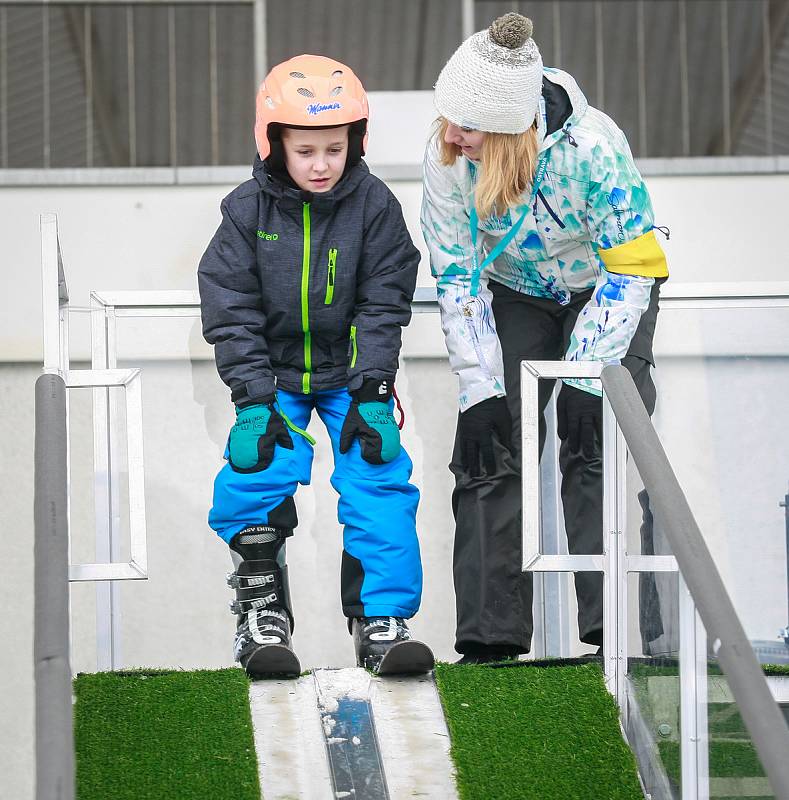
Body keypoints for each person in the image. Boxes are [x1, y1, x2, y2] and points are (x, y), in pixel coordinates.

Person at [420, 13, 668, 663]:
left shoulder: (595, 147)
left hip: (607, 285)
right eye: (447, 116)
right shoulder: (448, 155)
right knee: (489, 444)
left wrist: (588, 375)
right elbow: (455, 274)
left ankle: (611, 633)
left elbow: (633, 264)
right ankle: (490, 637)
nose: (451, 135)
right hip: (514, 290)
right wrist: (478, 389)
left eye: (467, 125)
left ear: (509, 130)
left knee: (593, 444)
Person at [198, 55, 433, 677]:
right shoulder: (246, 212)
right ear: (273, 144)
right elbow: (229, 303)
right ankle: (262, 614)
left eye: (335, 148)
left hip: (349, 373)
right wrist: (251, 399)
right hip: (272, 376)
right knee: (254, 471)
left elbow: (385, 299)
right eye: (306, 151)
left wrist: (374, 389)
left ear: (355, 142)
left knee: (379, 476)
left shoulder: (374, 206)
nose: (322, 164)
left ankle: (380, 622)